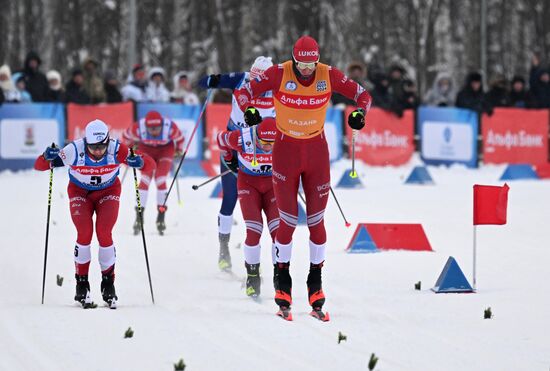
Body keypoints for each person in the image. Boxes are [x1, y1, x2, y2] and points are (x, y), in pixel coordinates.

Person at [234, 36, 371, 321]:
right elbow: (243, 92)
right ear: (293, 60)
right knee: (286, 221)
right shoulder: (279, 72)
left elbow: (363, 96)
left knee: (316, 221)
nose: (307, 69)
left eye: (311, 63)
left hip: (316, 153)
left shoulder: (328, 74)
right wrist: (249, 109)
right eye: (302, 64)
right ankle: (282, 281)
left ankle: (315, 282)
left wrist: (360, 114)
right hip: (285, 152)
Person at [34, 119, 155, 308]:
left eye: (102, 146)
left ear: (108, 141)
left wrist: (140, 162)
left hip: (108, 192)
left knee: (104, 233)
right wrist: (45, 156)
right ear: (86, 142)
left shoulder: (117, 149)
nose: (98, 151)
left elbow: (150, 165)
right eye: (93, 147)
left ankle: (108, 284)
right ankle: (82, 284)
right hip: (79, 192)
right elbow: (40, 166)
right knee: (84, 233)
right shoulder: (74, 150)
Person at [199, 56, 275, 272]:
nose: (256, 86)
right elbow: (210, 81)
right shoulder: (242, 81)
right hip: (235, 143)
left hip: (262, 148)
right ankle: (223, 248)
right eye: (254, 80)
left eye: (262, 82)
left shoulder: (278, 90)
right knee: (230, 198)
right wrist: (211, 80)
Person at [216, 117, 279, 298]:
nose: (267, 147)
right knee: (254, 230)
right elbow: (220, 139)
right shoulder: (243, 138)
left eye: (271, 143)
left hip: (273, 186)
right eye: (263, 142)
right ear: (256, 136)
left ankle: (279, 275)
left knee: (278, 232)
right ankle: (253, 276)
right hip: (248, 185)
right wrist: (230, 158)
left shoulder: (284, 137)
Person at [123, 110, 184, 235]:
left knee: (161, 179)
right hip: (146, 150)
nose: (155, 131)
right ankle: (139, 216)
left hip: (165, 150)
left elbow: (180, 139)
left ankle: (161, 217)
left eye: (157, 128)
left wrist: (179, 150)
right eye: (151, 129)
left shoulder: (170, 127)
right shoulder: (137, 128)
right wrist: (130, 148)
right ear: (146, 126)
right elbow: (125, 137)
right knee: (145, 180)